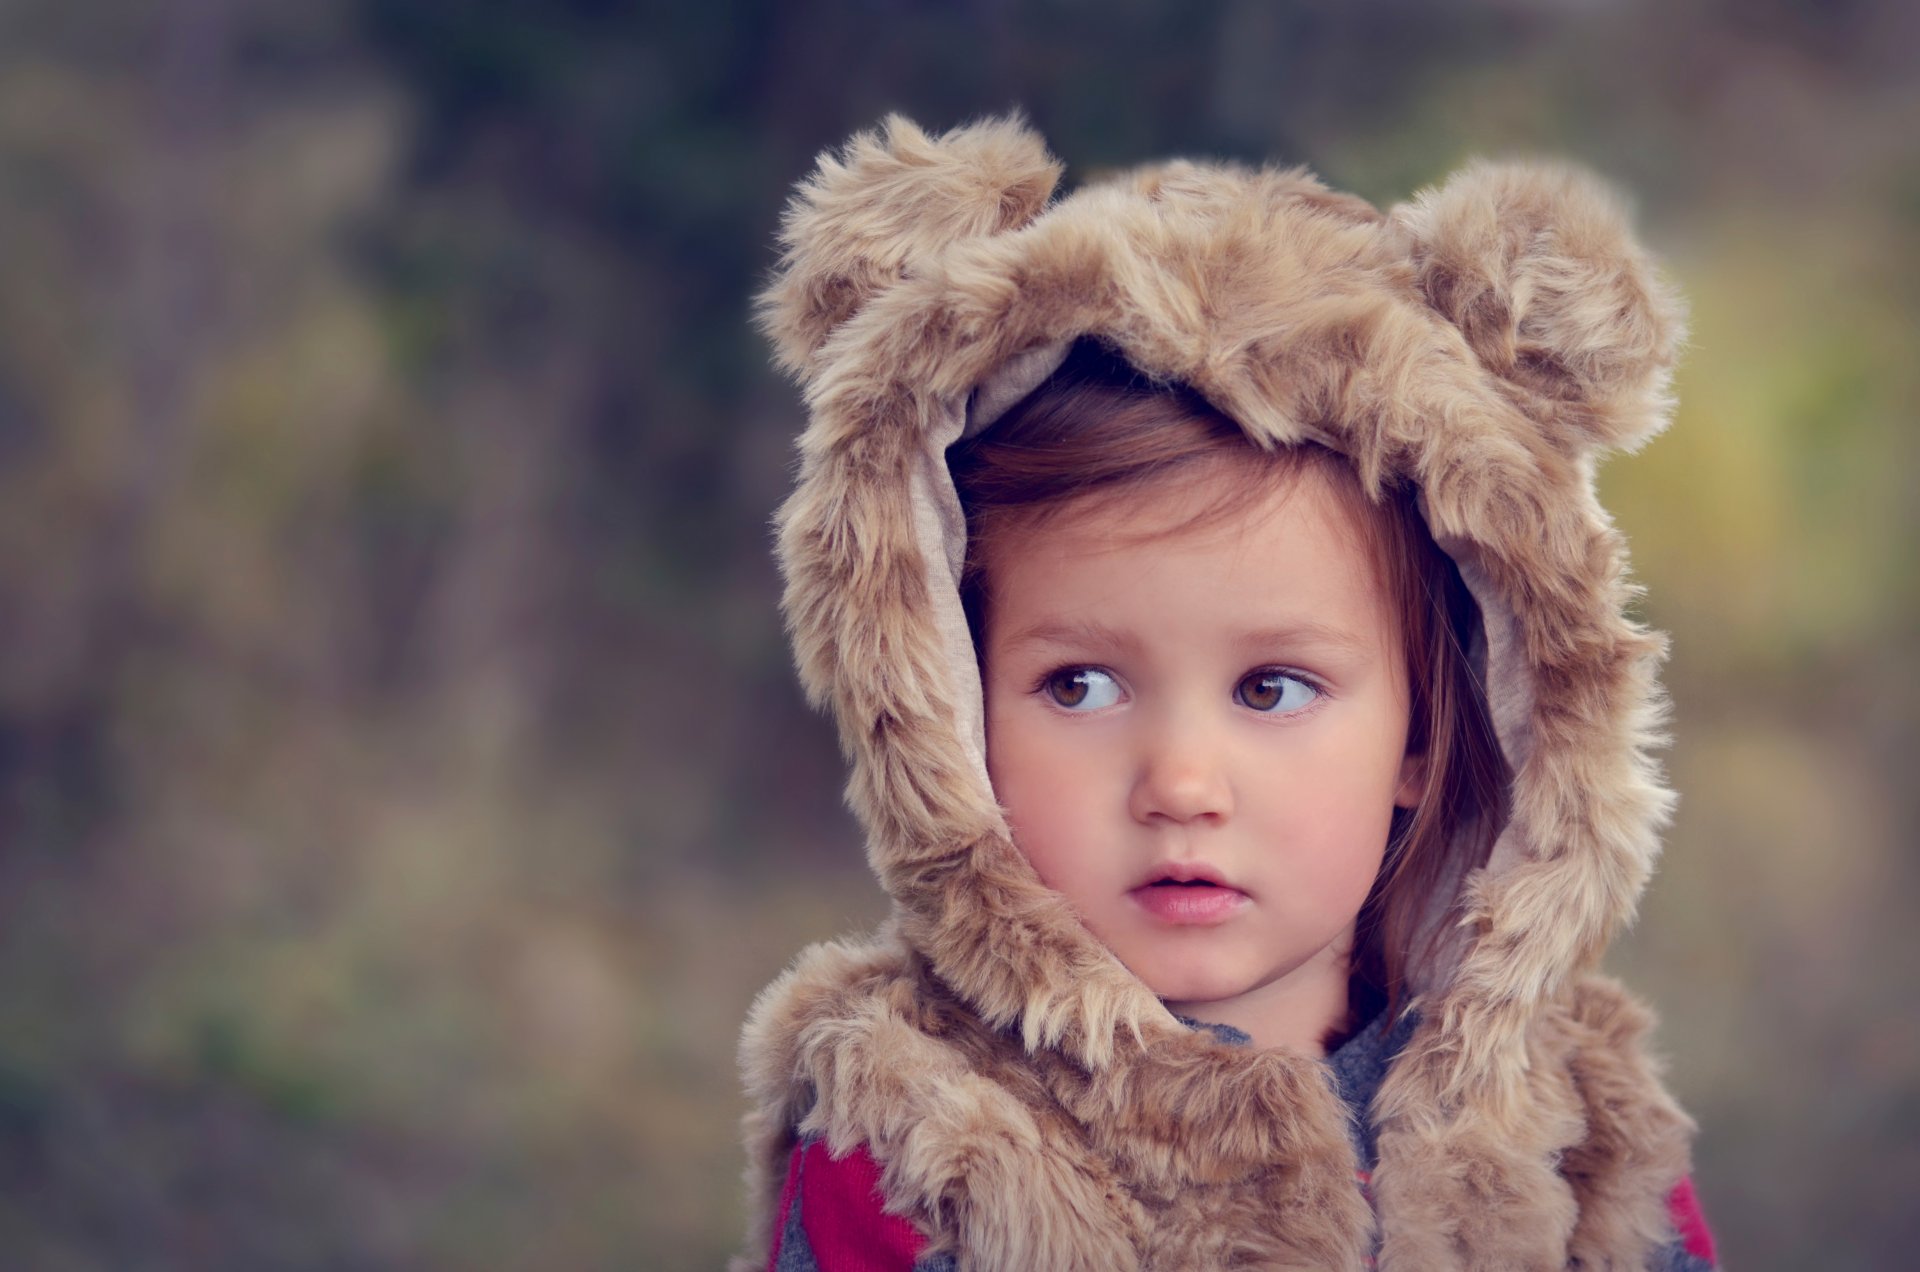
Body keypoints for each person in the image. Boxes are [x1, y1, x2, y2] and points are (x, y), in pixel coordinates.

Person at [734, 113, 1719, 1271]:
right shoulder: (913, 1138)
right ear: (952, 708)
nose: (1181, 784)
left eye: (1273, 687)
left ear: (1421, 728)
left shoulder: (1572, 1137)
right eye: (1083, 684)